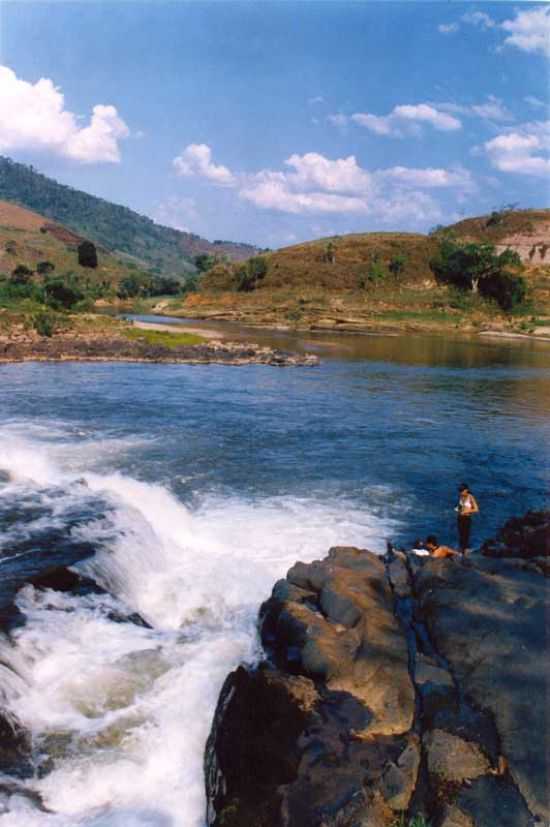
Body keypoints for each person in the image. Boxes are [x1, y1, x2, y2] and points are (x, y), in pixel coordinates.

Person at [455, 483, 479, 553]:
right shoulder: (461, 496)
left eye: (462, 491)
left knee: (465, 535)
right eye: (460, 491)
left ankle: (464, 551)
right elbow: (460, 506)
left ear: (466, 490)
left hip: (466, 519)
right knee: (460, 535)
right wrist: (458, 509)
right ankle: (460, 550)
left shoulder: (470, 497)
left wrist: (467, 511)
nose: (461, 492)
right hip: (460, 518)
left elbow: (476, 509)